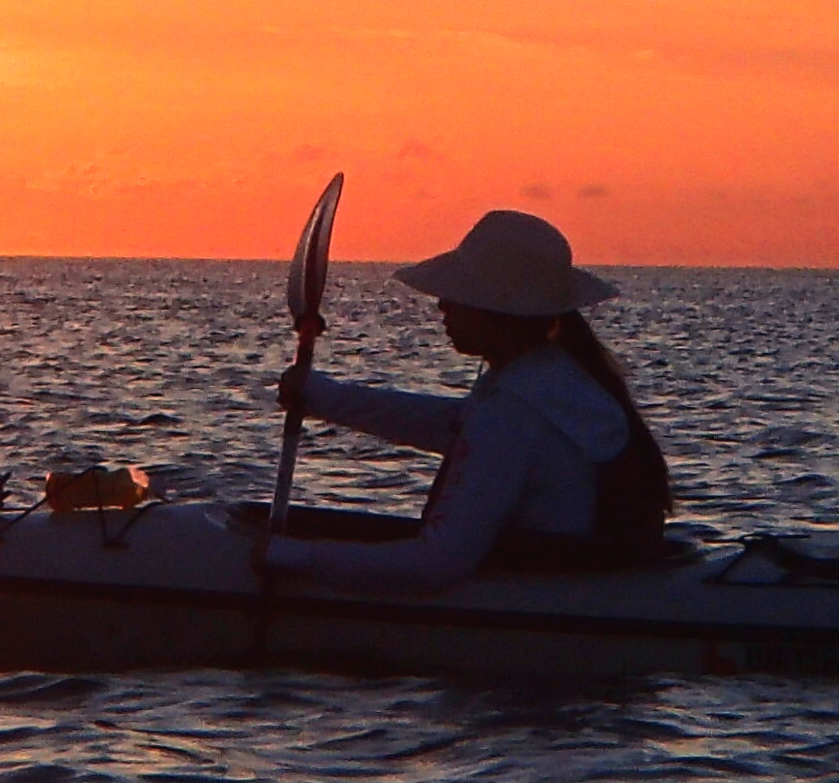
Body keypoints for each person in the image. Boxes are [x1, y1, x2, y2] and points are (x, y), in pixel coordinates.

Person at [255, 208, 675, 592]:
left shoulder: (516, 410)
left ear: (495, 311)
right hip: (567, 580)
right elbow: (455, 425)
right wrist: (325, 397)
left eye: (459, 297)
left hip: (540, 597)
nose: (442, 305)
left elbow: (437, 563)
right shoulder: (552, 380)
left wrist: (297, 556)